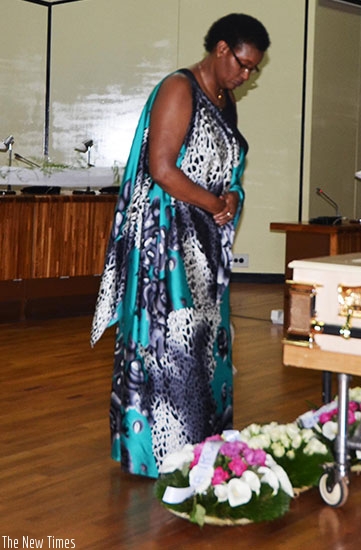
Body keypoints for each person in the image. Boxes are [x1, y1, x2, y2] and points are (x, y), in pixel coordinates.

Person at [90, 13, 270, 477]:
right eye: (243, 65)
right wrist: (215, 203)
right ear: (222, 49)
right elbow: (163, 168)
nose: (246, 76)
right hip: (166, 242)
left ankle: (200, 444)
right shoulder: (179, 88)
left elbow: (227, 167)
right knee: (169, 343)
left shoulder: (224, 99)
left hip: (203, 242)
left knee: (204, 343)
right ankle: (157, 452)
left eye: (254, 69)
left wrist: (232, 196)